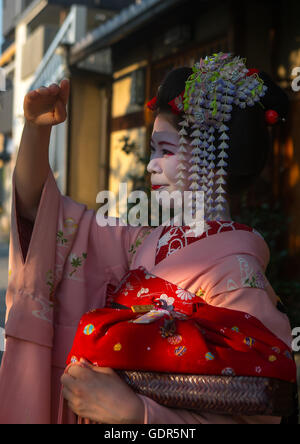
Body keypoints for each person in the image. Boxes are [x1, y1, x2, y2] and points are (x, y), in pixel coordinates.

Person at [0, 53, 296, 425]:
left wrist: (137, 413)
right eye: (153, 150)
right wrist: (37, 130)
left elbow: (259, 413)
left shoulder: (238, 274)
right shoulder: (142, 243)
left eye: (166, 150)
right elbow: (42, 216)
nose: (150, 165)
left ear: (212, 160)